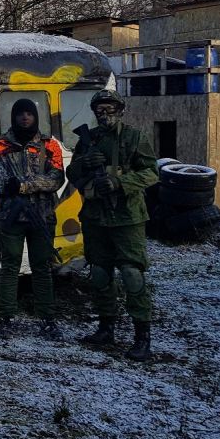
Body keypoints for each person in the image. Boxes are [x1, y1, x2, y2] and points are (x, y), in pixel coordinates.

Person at [66, 89, 159, 361]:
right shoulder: (88, 139)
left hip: (127, 217)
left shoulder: (134, 137)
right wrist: (85, 162)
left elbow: (151, 172)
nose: (105, 113)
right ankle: (106, 328)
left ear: (120, 110)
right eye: (100, 109)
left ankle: (142, 337)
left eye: (110, 108)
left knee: (132, 274)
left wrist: (120, 182)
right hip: (96, 217)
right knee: (99, 273)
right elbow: (72, 173)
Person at [0, 98, 65, 338]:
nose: (25, 117)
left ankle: (47, 318)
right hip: (10, 216)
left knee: (42, 267)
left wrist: (24, 186)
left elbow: (57, 177)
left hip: (42, 215)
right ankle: (6, 316)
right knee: (9, 266)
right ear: (13, 117)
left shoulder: (49, 145)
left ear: (35, 117)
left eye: (29, 113)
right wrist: (5, 185)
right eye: (20, 113)